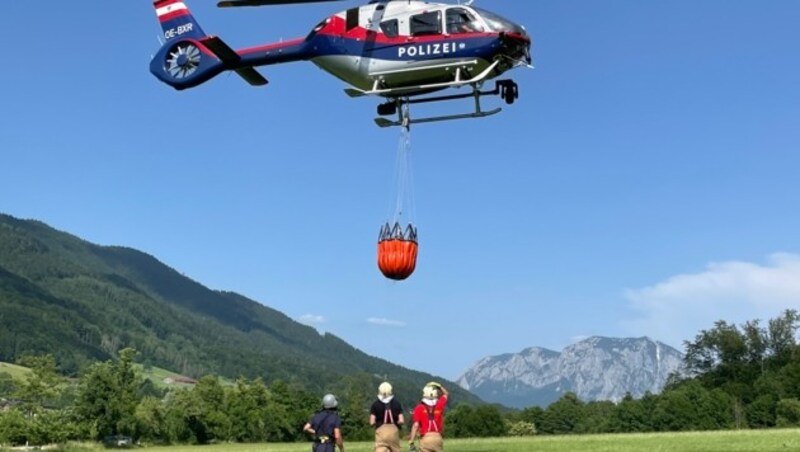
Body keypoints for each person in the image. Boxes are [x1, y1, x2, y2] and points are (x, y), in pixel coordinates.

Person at [408, 382, 448, 452]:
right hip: (438, 438)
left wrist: (411, 441)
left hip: (426, 438)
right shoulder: (439, 405)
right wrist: (439, 386)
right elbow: (446, 394)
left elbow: (415, 425)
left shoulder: (419, 408)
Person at [369, 381, 405, 452]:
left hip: (381, 432)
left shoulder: (375, 404)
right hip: (393, 431)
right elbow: (401, 421)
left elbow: (371, 422)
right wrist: (397, 422)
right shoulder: (397, 403)